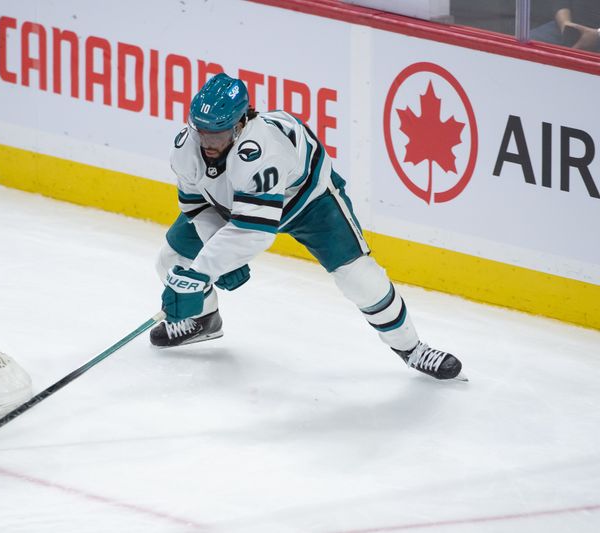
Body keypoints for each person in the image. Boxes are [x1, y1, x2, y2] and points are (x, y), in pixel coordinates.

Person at [150, 73, 464, 381]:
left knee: (360, 279)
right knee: (170, 260)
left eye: (217, 135)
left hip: (309, 203)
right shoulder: (185, 147)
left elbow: (256, 232)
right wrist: (210, 257)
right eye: (202, 131)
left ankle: (412, 348)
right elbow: (197, 205)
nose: (207, 143)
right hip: (237, 206)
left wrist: (204, 270)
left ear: (241, 123)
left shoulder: (261, 150)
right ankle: (204, 321)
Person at [531, 1, 600, 51]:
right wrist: (565, 25)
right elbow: (562, 3)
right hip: (564, 25)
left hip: (596, 35)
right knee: (527, 42)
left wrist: (598, 34)